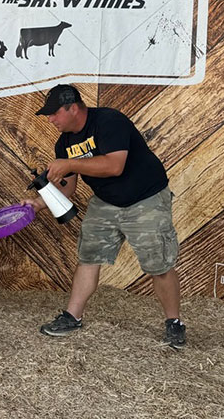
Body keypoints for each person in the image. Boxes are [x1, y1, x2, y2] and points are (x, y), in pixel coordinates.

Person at [23, 84, 186, 349]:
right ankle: (72, 316)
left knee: (159, 265)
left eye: (54, 113)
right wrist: (38, 203)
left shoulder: (110, 121)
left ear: (72, 107)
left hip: (146, 199)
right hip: (106, 201)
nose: (50, 119)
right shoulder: (64, 142)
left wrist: (70, 164)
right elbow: (69, 187)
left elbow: (114, 165)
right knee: (88, 256)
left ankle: (174, 322)